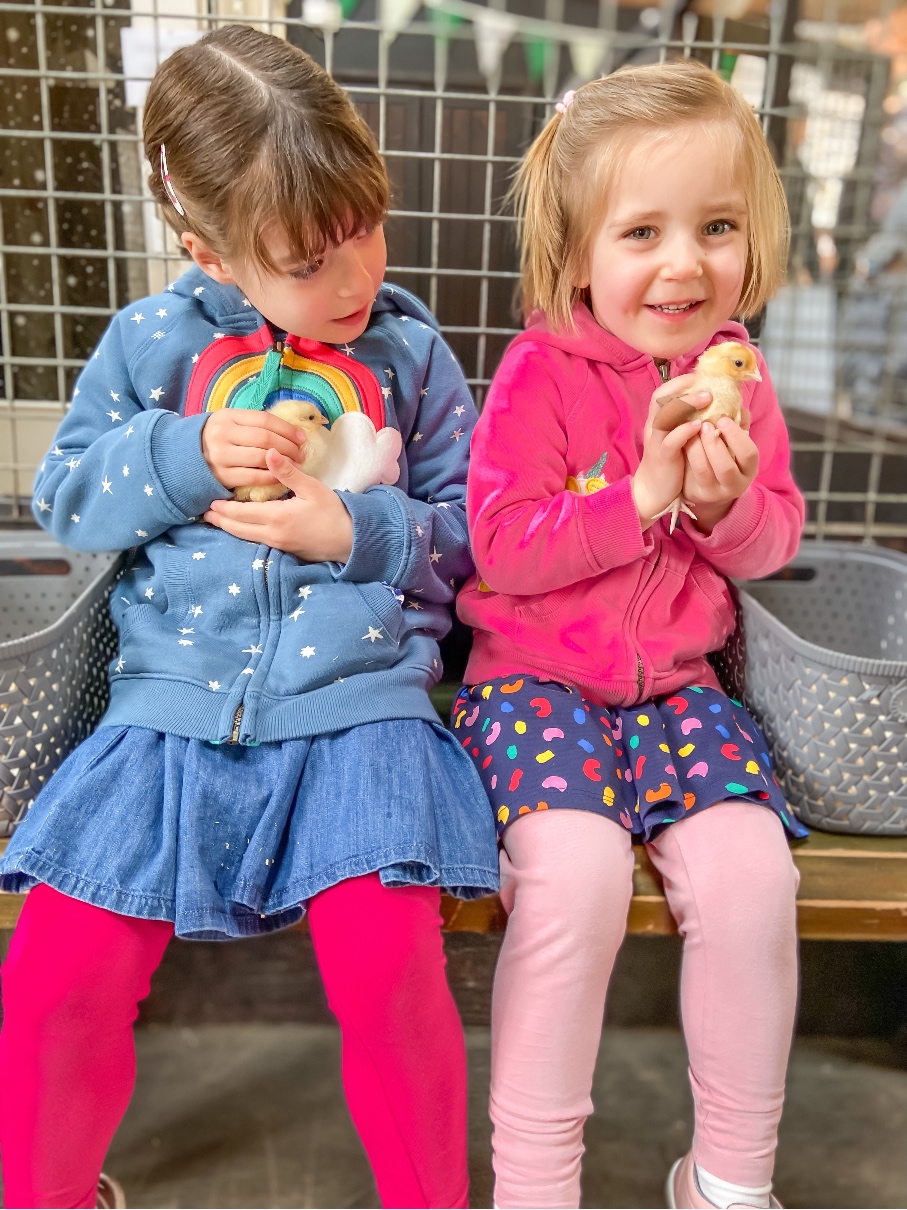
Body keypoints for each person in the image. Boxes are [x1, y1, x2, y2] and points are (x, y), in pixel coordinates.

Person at [0, 25, 498, 1210]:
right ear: (207, 253)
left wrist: (359, 535)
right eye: (304, 259)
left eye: (364, 226)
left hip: (361, 715)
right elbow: (65, 499)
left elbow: (476, 539)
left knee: (389, 972)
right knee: (56, 974)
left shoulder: (414, 358)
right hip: (170, 716)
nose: (352, 277)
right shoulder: (149, 347)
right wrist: (178, 453)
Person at [455, 60, 807, 1210]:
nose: (684, 263)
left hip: (680, 690)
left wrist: (721, 505)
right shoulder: (537, 373)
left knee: (754, 879)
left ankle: (728, 1181)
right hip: (533, 684)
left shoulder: (737, 374)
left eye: (715, 226)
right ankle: (535, 1187)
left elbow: (770, 546)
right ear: (577, 256)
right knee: (573, 882)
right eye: (642, 231)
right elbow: (504, 547)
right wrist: (643, 490)